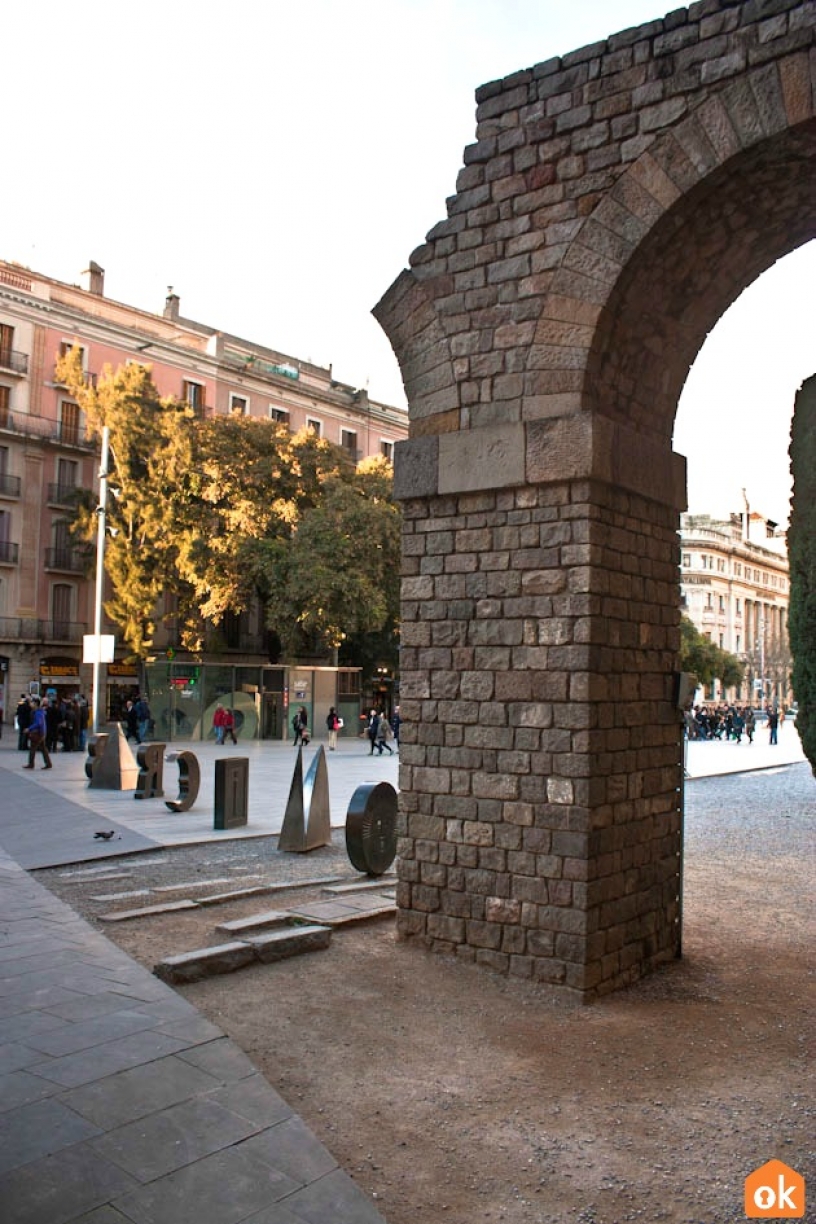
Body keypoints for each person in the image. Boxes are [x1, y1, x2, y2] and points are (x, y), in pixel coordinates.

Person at [23, 696, 52, 770]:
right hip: (41, 733)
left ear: (35, 704)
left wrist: (29, 729)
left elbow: (38, 723)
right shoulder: (39, 711)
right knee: (43, 748)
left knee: (33, 748)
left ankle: (31, 764)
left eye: (32, 702)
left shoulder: (38, 712)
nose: (31, 704)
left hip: (38, 733)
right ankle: (48, 763)